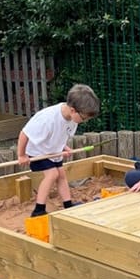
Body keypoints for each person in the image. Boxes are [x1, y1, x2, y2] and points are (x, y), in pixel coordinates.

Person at [17, 83, 100, 217]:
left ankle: (68, 204)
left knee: (61, 174)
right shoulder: (47, 119)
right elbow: (24, 134)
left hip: (53, 150)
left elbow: (60, 135)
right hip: (38, 151)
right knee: (52, 174)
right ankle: (38, 209)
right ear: (73, 110)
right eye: (84, 118)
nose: (84, 121)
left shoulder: (72, 118)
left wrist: (64, 147)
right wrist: (21, 155)